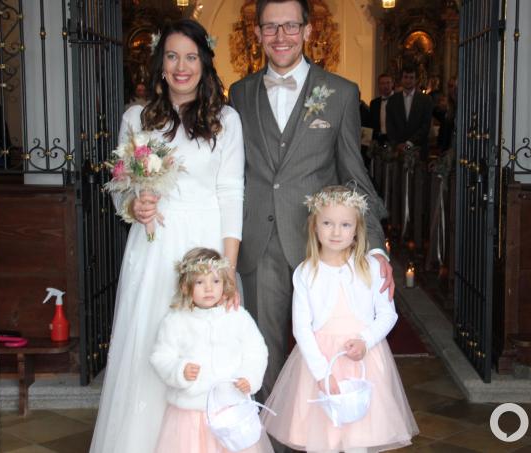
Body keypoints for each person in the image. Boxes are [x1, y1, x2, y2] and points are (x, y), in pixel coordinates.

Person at [90, 19, 245, 453]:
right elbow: (123, 186)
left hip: (206, 249)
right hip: (154, 247)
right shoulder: (135, 119)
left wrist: (227, 270)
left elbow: (232, 193)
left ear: (204, 62)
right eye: (173, 56)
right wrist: (135, 205)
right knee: (149, 343)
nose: (182, 66)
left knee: (203, 348)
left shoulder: (226, 121)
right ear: (160, 64)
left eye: (191, 57)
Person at [228, 0, 394, 405]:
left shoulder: (340, 92)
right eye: (270, 28)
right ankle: (269, 441)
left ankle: (320, 434)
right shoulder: (240, 92)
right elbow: (230, 173)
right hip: (260, 241)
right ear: (257, 34)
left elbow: (354, 175)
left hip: (325, 247)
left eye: (289, 26)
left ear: (307, 30)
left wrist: (374, 246)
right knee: (262, 350)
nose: (280, 37)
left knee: (323, 346)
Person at [262, 186, 418, 453]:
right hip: (320, 363)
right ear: (314, 226)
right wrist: (322, 373)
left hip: (362, 360)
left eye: (345, 225)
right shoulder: (306, 272)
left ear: (357, 230)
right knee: (323, 438)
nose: (336, 232)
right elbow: (301, 328)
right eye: (327, 223)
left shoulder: (370, 267)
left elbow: (388, 314)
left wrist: (366, 340)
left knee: (359, 437)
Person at [151, 248, 272, 453]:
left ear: (224, 284)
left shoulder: (237, 316)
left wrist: (249, 377)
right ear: (186, 286)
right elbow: (161, 356)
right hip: (190, 414)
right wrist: (179, 370)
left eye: (215, 281)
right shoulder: (176, 321)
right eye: (200, 282)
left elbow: (256, 351)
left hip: (230, 409)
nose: (209, 289)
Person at [386, 65, 434, 161]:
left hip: (418, 149)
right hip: (398, 150)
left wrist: (409, 143)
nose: (408, 81)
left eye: (411, 78)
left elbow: (426, 125)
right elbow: (390, 125)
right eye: (406, 77)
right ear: (401, 79)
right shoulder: (392, 100)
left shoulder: (425, 100)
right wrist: (397, 144)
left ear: (416, 80)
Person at [369, 73, 394, 144]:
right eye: (382, 83)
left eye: (388, 83)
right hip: (379, 140)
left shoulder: (399, 100)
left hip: (395, 141)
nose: (386, 86)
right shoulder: (374, 103)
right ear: (379, 85)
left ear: (392, 84)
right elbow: (372, 123)